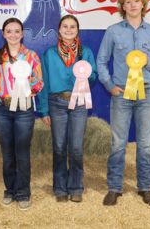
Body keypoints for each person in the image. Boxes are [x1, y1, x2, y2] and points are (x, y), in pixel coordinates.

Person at [97, 0, 150, 206]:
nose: (133, 5)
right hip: (121, 94)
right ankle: (114, 188)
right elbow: (101, 61)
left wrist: (148, 61)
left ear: (143, 4)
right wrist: (109, 85)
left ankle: (145, 187)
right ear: (122, 7)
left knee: (145, 144)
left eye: (136, 1)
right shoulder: (113, 31)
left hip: (146, 93)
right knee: (118, 143)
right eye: (128, 2)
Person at [37, 15, 97, 203]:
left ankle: (76, 186)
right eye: (65, 26)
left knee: (77, 148)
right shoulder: (49, 53)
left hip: (79, 101)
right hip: (56, 103)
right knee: (59, 147)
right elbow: (43, 82)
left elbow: (93, 74)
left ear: (77, 30)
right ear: (59, 30)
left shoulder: (85, 52)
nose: (69, 29)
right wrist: (44, 110)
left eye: (72, 27)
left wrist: (85, 76)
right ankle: (60, 187)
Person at [0, 18, 43, 211]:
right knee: (7, 152)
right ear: (3, 34)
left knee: (22, 151)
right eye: (9, 31)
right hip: (2, 108)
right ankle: (9, 189)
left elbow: (39, 82)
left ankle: (23, 192)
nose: (13, 35)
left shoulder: (31, 56)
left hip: (24, 109)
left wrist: (28, 87)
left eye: (17, 31)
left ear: (22, 33)